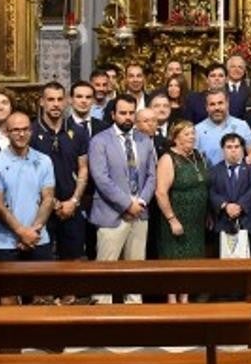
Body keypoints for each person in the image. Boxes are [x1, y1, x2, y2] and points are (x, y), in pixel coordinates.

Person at [89, 95, 156, 303]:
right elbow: (101, 178)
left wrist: (141, 202)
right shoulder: (100, 141)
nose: (127, 117)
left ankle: (134, 317)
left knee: (135, 271)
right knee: (104, 272)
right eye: (123, 113)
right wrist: (127, 204)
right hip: (111, 214)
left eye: (131, 113)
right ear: (113, 115)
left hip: (140, 214)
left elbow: (151, 176)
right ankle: (101, 316)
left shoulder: (145, 140)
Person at [0, 112, 55, 272]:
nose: (21, 134)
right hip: (5, 242)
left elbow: (48, 198)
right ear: (6, 132)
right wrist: (21, 232)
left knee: (41, 295)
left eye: (25, 129)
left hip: (38, 238)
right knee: (7, 295)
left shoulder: (44, 160)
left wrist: (33, 232)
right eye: (16, 130)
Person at [31, 83, 89, 262]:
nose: (55, 104)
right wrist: (53, 203)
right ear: (42, 102)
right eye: (50, 99)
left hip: (72, 207)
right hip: (41, 208)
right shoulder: (31, 132)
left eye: (59, 99)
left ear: (66, 102)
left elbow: (83, 168)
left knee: (73, 263)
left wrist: (74, 201)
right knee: (43, 264)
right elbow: (30, 173)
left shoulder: (78, 132)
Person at [154, 120, 210, 303]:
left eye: (193, 133)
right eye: (187, 134)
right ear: (175, 138)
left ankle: (185, 298)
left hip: (196, 222)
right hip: (177, 219)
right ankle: (172, 300)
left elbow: (204, 186)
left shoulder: (198, 156)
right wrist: (172, 219)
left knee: (191, 261)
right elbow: (161, 192)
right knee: (174, 261)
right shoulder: (168, 159)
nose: (192, 137)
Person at [210, 134, 251, 256]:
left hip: (249, 223)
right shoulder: (214, 170)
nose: (233, 150)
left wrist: (239, 206)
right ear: (223, 149)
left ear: (242, 149)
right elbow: (211, 192)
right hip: (223, 223)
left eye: (236, 146)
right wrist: (225, 206)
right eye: (229, 147)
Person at [194, 90, 251, 166]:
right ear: (207, 107)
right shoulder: (197, 130)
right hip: (208, 176)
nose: (217, 108)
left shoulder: (242, 125)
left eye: (220, 103)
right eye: (212, 104)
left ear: (227, 104)